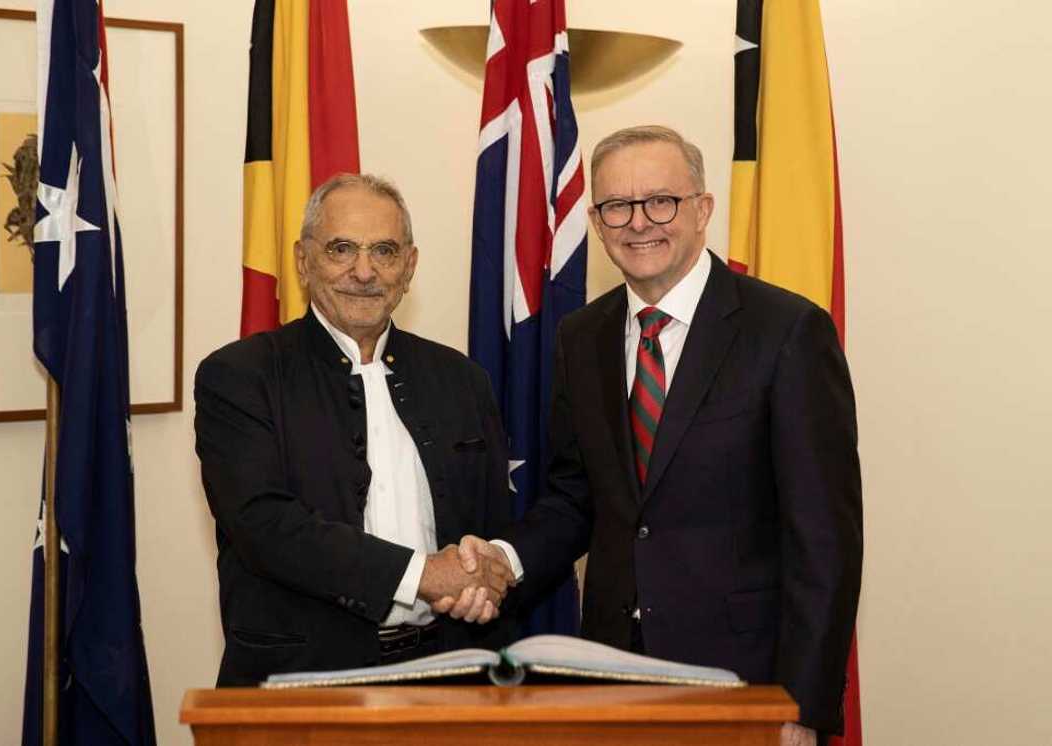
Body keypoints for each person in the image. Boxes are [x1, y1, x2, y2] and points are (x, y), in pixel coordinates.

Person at [446, 126, 862, 745]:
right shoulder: (582, 337)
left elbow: (825, 539)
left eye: (661, 201)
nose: (639, 223)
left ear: (702, 209)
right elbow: (574, 498)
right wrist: (503, 561)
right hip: (612, 674)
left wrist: (801, 705)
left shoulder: (787, 332)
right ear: (595, 219)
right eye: (617, 206)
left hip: (745, 685)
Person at [195, 173, 513, 686]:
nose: (363, 271)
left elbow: (492, 520)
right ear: (303, 260)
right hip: (302, 685)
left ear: (409, 266)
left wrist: (484, 572)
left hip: (450, 677)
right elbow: (265, 526)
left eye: (384, 251)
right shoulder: (240, 376)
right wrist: (423, 575)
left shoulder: (462, 379)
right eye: (341, 249)